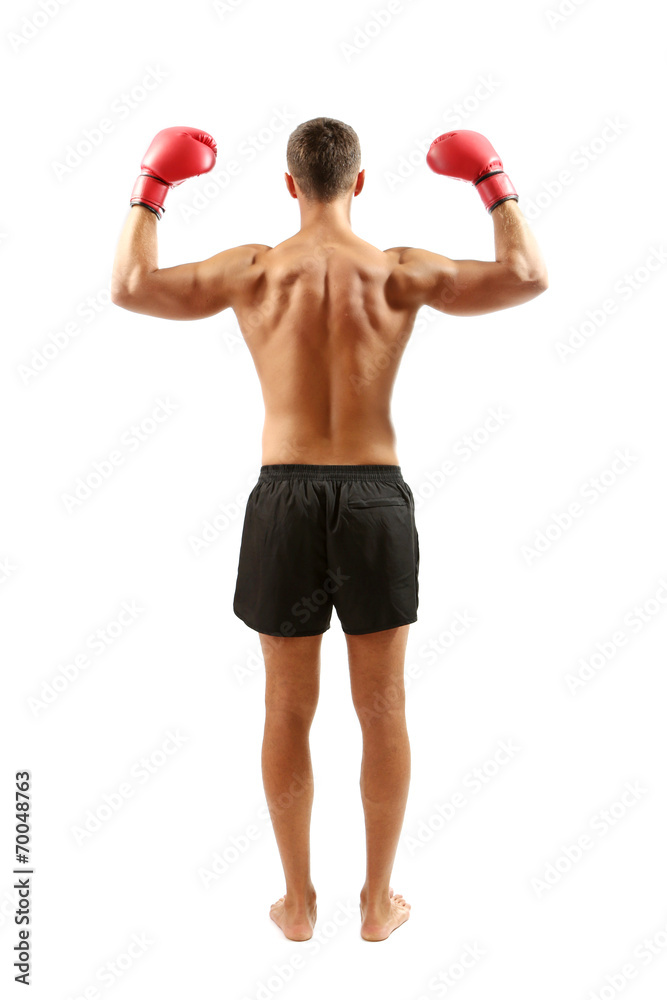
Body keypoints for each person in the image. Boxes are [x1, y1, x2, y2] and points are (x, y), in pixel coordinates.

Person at [111, 117, 548, 942]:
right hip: (375, 499)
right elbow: (526, 275)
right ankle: (376, 905)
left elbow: (130, 287)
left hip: (283, 496)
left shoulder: (253, 270)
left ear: (287, 185)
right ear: (359, 183)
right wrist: (493, 182)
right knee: (383, 708)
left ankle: (298, 903)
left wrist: (153, 188)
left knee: (285, 709)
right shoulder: (396, 271)